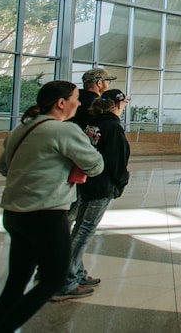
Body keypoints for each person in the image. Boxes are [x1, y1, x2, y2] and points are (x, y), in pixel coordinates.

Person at [0, 80, 104, 333]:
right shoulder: (64, 131)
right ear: (61, 103)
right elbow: (95, 165)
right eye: (75, 99)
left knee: (16, 281)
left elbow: (4, 167)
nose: (79, 103)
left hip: (14, 214)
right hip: (46, 215)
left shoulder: (20, 129)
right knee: (53, 280)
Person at [52, 89, 132, 302]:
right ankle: (66, 278)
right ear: (118, 104)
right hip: (102, 186)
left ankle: (76, 272)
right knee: (85, 230)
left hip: (87, 183)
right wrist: (121, 183)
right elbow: (116, 162)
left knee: (79, 227)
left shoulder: (92, 125)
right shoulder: (113, 127)